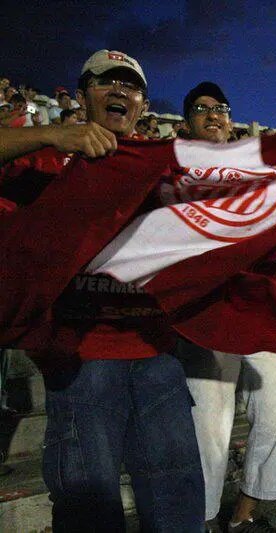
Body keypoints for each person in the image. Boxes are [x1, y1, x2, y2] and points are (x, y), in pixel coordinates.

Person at [0, 49, 204, 530]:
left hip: (157, 354)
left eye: (130, 86)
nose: (118, 91)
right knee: (88, 505)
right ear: (84, 94)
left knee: (176, 498)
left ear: (142, 105)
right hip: (81, 358)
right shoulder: (49, 158)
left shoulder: (162, 168)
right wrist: (52, 132)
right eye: (105, 82)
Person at [175, 81, 276, 533]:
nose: (213, 115)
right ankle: (204, 518)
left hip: (258, 307)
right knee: (209, 423)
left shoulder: (258, 171)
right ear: (186, 122)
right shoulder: (175, 171)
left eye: (221, 109)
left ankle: (246, 510)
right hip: (204, 313)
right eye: (202, 109)